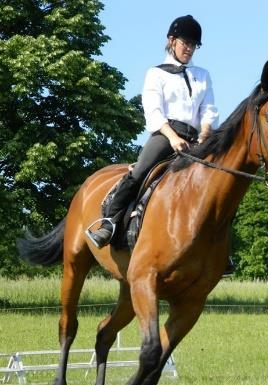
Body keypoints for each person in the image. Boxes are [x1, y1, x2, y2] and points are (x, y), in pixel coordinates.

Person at [85, 14, 219, 248]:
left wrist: (205, 133)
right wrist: (173, 138)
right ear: (171, 41)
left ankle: (217, 241)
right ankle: (109, 223)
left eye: (193, 45)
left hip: (197, 138)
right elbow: (154, 112)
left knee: (220, 176)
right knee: (141, 172)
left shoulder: (203, 75)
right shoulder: (156, 74)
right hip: (165, 135)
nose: (189, 49)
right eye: (185, 43)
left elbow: (209, 110)